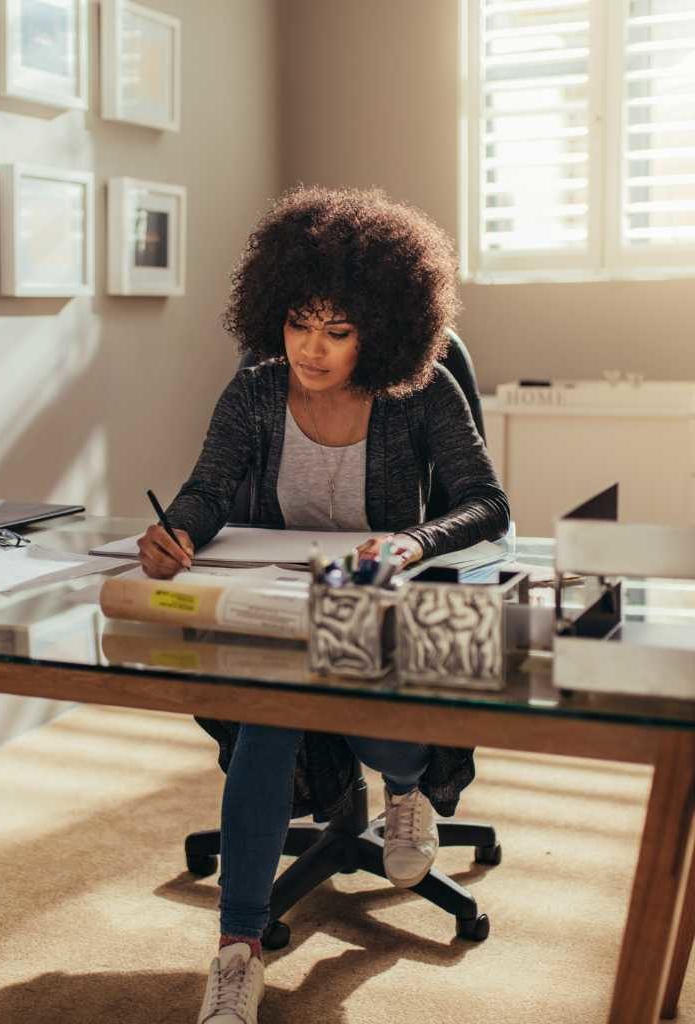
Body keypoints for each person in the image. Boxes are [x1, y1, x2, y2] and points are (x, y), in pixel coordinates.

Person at [137, 185, 510, 1024]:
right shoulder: (258, 392)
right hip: (285, 605)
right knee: (271, 710)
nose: (312, 348)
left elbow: (487, 504)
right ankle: (237, 953)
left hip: (379, 606)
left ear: (381, 329)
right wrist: (175, 535)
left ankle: (405, 790)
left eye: (338, 332)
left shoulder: (420, 393)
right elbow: (205, 491)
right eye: (299, 323)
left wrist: (414, 541)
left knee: (361, 705)